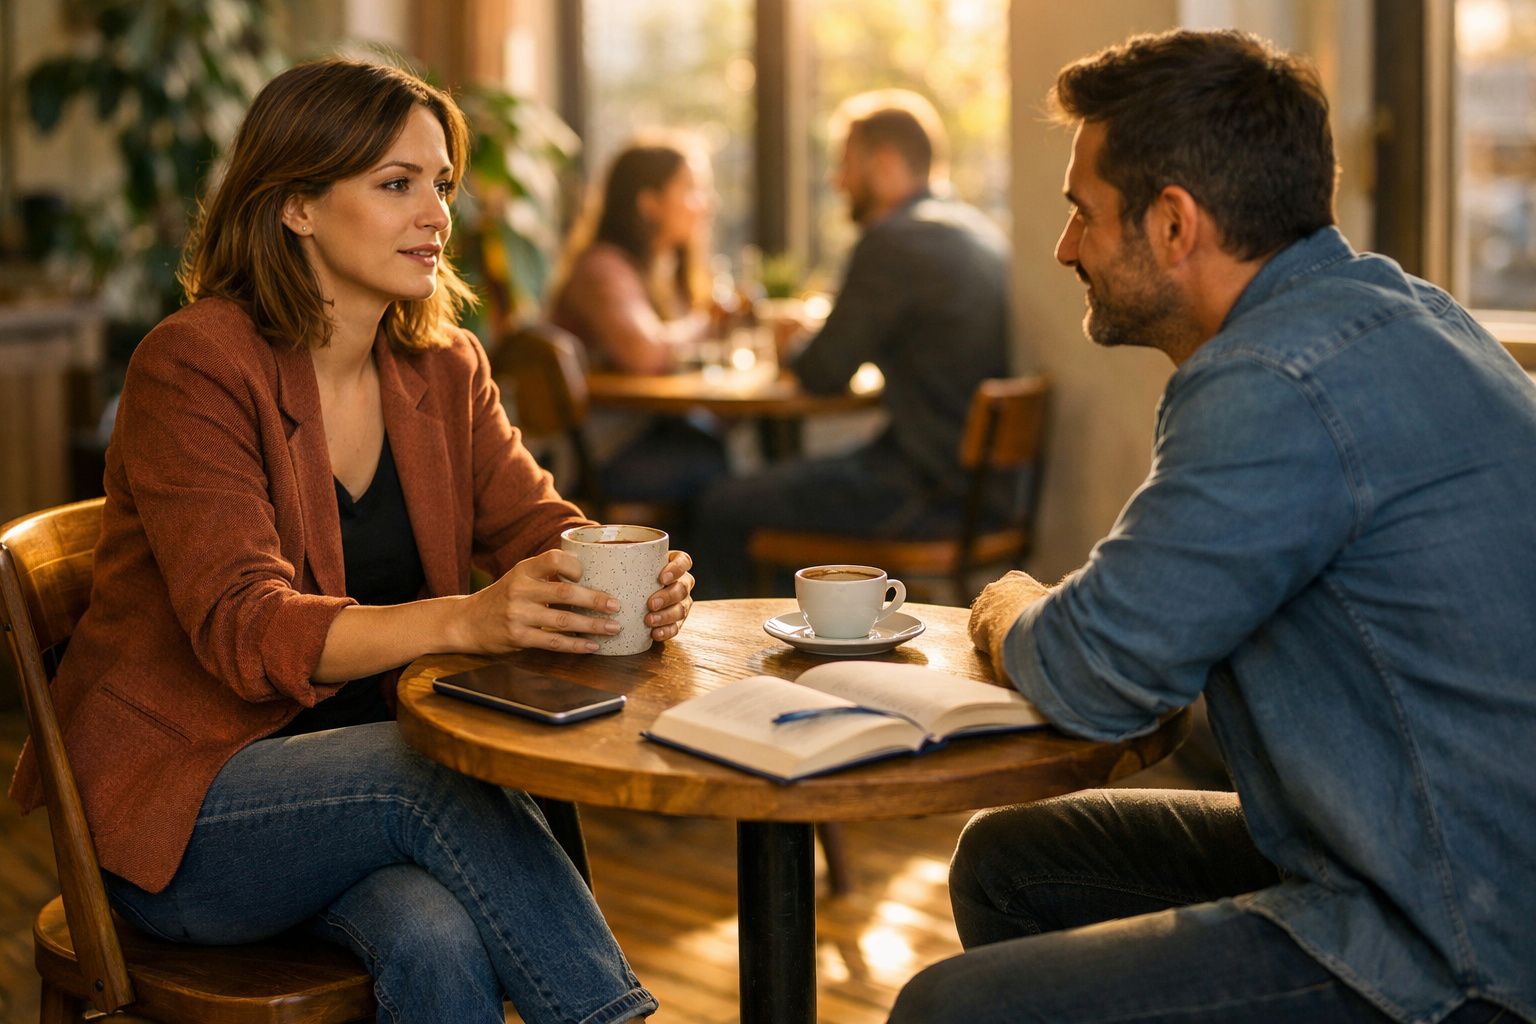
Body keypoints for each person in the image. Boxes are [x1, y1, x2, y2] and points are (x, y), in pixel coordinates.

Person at [7, 58, 694, 1024]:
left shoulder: (444, 365)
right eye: (396, 184)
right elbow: (250, 630)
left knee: (434, 933)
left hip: (365, 807)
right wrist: (472, 619)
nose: (438, 214)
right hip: (190, 814)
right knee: (431, 768)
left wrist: (627, 573)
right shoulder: (194, 365)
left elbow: (538, 523)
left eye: (442, 185)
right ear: (296, 205)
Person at [888, 29, 1536, 1024]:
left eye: (1083, 214)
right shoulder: (1401, 313)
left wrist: (1006, 601)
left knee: (950, 1009)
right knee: (1012, 861)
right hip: (1425, 844)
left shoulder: (1272, 380)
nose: (1065, 248)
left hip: (1455, 938)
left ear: (1176, 223)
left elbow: (1092, 670)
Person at [693, 89, 1012, 597]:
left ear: (884, 165)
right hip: (983, 492)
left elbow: (823, 372)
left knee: (721, 505)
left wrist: (788, 339)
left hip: (925, 490)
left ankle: (750, 657)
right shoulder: (976, 230)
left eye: (845, 165)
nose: (835, 181)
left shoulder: (895, 241)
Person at [547, 138, 729, 508]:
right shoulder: (603, 268)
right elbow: (644, 353)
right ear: (649, 203)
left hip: (647, 433)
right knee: (718, 472)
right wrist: (710, 322)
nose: (707, 204)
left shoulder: (664, 270)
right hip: (597, 452)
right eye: (691, 189)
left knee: (718, 452)